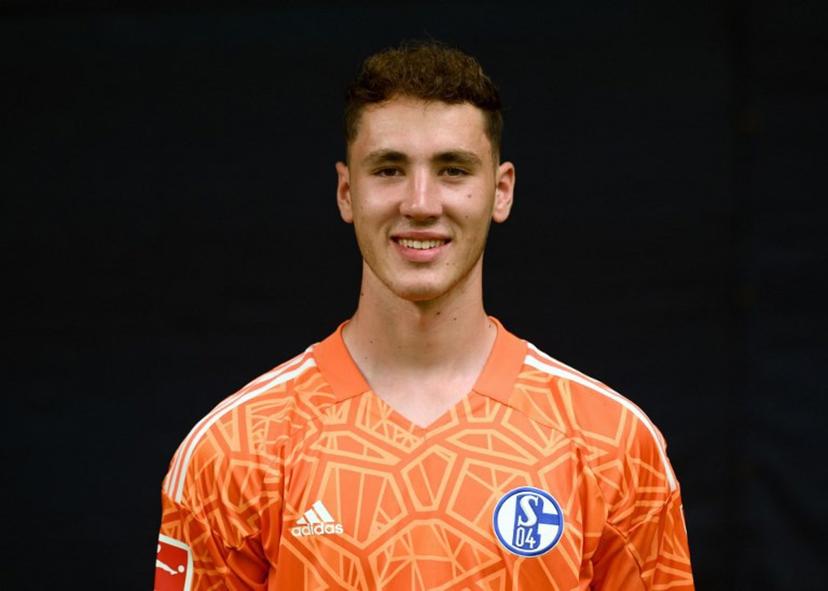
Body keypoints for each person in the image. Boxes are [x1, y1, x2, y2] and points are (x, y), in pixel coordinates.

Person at [154, 40, 694, 590]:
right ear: (346, 192)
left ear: (501, 191)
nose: (419, 202)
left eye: (452, 170)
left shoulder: (613, 442)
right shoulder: (234, 450)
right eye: (388, 169)